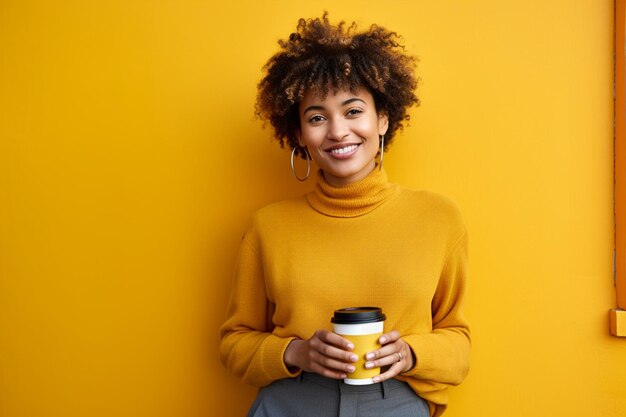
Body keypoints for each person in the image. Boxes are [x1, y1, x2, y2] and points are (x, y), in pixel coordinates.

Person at [219, 13, 470, 417]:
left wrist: (410, 354)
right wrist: (297, 352)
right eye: (317, 117)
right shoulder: (267, 226)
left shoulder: (439, 218)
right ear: (300, 135)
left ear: (383, 119)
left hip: (396, 403)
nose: (337, 131)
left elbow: (459, 344)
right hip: (290, 401)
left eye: (353, 111)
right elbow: (234, 342)